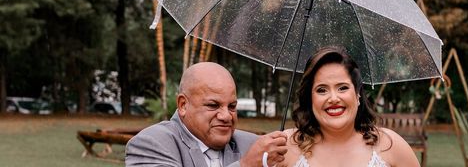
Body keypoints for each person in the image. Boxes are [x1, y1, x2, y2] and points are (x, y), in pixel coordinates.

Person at [279, 46, 419, 167]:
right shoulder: (283, 147)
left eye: (343, 88)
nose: (333, 98)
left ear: (357, 95)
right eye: (322, 90)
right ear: (310, 98)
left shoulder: (391, 146)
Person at [126, 62, 287, 167]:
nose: (226, 116)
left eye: (232, 106)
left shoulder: (254, 145)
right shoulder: (151, 144)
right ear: (183, 105)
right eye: (213, 105)